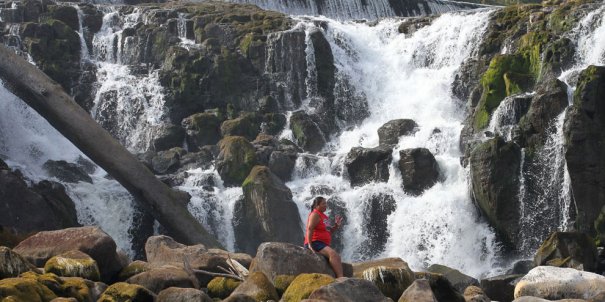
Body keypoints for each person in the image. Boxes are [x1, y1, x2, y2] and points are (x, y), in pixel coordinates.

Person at [304, 196, 344, 278]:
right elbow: (310, 228)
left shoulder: (324, 216)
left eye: (326, 203)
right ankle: (341, 278)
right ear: (317, 205)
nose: (326, 205)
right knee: (333, 254)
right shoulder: (315, 214)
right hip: (315, 242)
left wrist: (336, 226)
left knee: (336, 256)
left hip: (321, 243)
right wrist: (310, 245)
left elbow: (328, 232)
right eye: (323, 204)